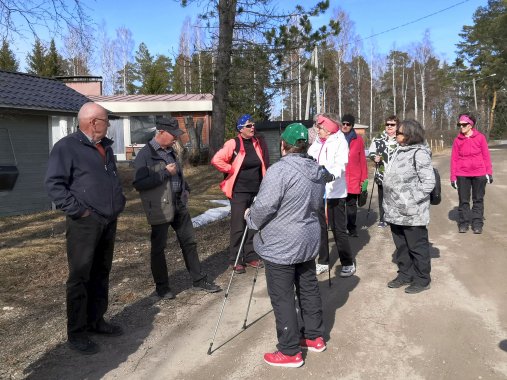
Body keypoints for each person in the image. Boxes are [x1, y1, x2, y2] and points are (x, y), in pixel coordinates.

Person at [45, 102, 126, 355]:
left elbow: (111, 179)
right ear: (93, 122)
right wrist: (80, 211)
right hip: (84, 223)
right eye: (106, 120)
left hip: (108, 220)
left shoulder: (106, 148)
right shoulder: (67, 147)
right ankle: (77, 332)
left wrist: (118, 202)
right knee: (80, 277)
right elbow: (54, 184)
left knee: (102, 272)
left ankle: (96, 320)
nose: (108, 124)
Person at [245, 123, 328, 368]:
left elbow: (264, 207)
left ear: (283, 145)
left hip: (282, 242)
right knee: (308, 286)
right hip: (307, 237)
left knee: (282, 296)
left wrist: (250, 218)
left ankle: (290, 350)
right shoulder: (315, 169)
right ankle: (313, 336)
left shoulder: (280, 171)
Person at [133, 117, 221, 299]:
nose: (176, 138)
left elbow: (178, 175)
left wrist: (185, 188)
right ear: (161, 132)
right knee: (159, 248)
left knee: (189, 243)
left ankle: (199, 280)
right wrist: (165, 173)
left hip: (179, 205)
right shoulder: (145, 155)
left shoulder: (171, 151)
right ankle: (162, 288)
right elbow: (140, 183)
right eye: (173, 135)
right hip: (159, 208)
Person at [211, 114, 270, 274]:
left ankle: (251, 256)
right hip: (239, 190)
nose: (253, 128)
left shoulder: (256, 143)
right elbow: (217, 160)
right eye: (249, 126)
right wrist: (231, 168)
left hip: (256, 189)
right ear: (240, 128)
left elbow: (262, 162)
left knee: (252, 223)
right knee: (238, 225)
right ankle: (236, 259)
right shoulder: (233, 143)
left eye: (253, 125)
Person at [382, 119, 435, 294]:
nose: (396, 134)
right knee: (402, 247)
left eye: (400, 132)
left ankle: (422, 279)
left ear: (410, 135)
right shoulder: (400, 150)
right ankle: (405, 275)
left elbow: (428, 183)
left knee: (417, 247)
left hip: (412, 212)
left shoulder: (419, 153)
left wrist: (409, 199)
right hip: (395, 211)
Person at [308, 114, 355, 278]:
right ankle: (323, 261)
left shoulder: (339, 141)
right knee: (319, 228)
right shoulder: (318, 142)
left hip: (334, 191)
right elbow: (310, 155)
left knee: (338, 229)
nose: (317, 130)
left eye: (320, 128)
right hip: (318, 191)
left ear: (327, 130)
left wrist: (332, 174)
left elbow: (341, 163)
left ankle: (348, 262)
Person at [450, 113, 493, 234]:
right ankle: (463, 223)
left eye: (464, 124)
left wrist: (488, 172)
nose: (461, 127)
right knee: (464, 200)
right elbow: (454, 159)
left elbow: (486, 156)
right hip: (462, 174)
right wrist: (453, 177)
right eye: (460, 124)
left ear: (470, 125)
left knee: (478, 199)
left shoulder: (480, 138)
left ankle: (477, 224)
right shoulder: (457, 140)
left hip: (479, 173)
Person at [368, 115, 400, 228]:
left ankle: (395, 218)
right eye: (388, 124)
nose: (389, 126)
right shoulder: (378, 138)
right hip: (382, 173)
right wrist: (374, 157)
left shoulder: (401, 138)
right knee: (382, 198)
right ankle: (383, 218)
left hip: (397, 175)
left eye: (392, 124)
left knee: (395, 197)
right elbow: (371, 152)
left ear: (397, 126)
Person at [341, 114, 368, 237]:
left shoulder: (358, 139)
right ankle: (340, 228)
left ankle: (351, 228)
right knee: (339, 205)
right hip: (340, 178)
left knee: (351, 205)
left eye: (348, 124)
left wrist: (364, 178)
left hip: (353, 178)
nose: (345, 126)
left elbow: (362, 160)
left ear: (352, 125)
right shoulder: (336, 138)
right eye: (343, 123)